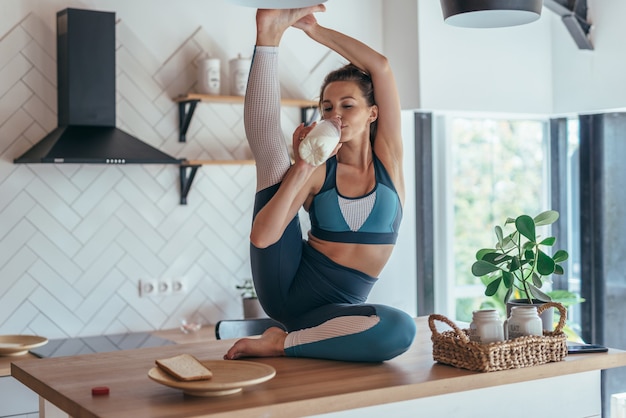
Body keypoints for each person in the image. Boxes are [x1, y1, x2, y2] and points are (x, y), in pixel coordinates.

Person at [224, 5, 416, 362]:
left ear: (373, 113)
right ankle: (267, 35)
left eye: (348, 105)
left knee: (399, 329)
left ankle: (285, 341)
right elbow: (263, 237)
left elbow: (381, 68)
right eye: (327, 108)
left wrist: (314, 31)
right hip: (287, 286)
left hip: (334, 315)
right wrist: (302, 165)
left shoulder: (388, 159)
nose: (336, 116)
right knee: (272, 158)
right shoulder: (317, 171)